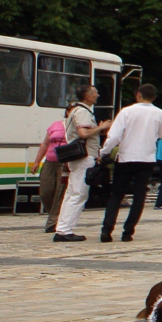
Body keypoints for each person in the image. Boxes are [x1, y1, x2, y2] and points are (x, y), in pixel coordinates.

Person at [96, 84, 162, 243]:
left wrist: (104, 152)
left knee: (116, 194)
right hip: (146, 158)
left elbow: (114, 135)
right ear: (154, 97)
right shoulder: (160, 113)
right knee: (139, 196)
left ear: (138, 95)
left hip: (126, 157)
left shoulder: (127, 111)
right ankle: (128, 231)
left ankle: (107, 230)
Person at [50, 87, 106, 242]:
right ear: (88, 96)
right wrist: (101, 127)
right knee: (79, 193)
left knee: (71, 192)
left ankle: (62, 227)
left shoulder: (75, 110)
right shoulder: (82, 112)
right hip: (84, 156)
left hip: (78, 157)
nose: (97, 95)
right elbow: (83, 134)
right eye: (95, 93)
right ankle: (64, 230)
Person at [34, 109, 70, 231]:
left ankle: (52, 222)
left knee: (59, 192)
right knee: (46, 191)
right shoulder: (56, 125)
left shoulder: (76, 128)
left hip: (64, 162)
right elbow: (45, 143)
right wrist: (37, 162)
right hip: (50, 161)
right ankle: (54, 215)